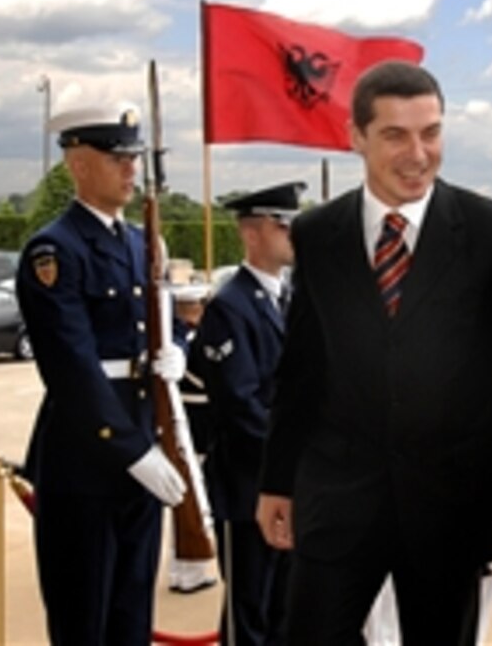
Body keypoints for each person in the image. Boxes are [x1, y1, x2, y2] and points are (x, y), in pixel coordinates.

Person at [256, 60, 492, 643]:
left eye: (431, 132)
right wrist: (278, 479)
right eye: (395, 134)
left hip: (450, 507)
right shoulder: (319, 235)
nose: (417, 153)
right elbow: (301, 368)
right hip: (336, 504)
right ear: (357, 137)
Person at [17, 105, 190, 645]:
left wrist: (177, 350)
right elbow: (70, 366)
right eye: (116, 159)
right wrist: (132, 451)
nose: (130, 170)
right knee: (85, 615)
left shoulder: (142, 242)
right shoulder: (55, 250)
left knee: (130, 613)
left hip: (143, 430)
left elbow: (163, 320)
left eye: (132, 159)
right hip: (87, 453)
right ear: (79, 164)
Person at [194, 181, 305, 644]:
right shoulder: (230, 306)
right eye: (283, 227)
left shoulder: (291, 299)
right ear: (253, 233)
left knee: (286, 611)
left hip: (292, 486)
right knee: (249, 616)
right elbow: (241, 405)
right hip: (249, 487)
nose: (292, 237)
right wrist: (288, 463)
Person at [167, 281, 218, 595]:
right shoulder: (192, 342)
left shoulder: (178, 341)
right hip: (199, 429)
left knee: (187, 501)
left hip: (184, 427)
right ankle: (187, 571)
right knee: (194, 503)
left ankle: (184, 569)